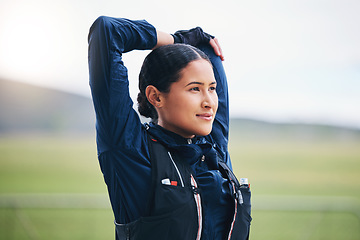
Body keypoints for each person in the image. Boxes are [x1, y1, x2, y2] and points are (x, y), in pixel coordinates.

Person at [88, 16, 251, 240]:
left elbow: (207, 48)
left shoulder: (214, 148)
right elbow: (107, 32)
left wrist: (194, 44)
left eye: (212, 88)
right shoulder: (131, 150)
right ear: (156, 96)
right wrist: (177, 39)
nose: (210, 102)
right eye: (194, 89)